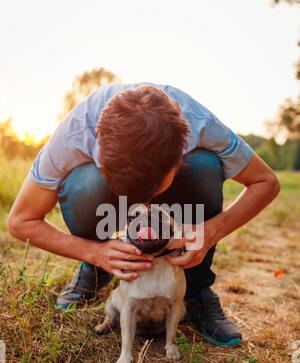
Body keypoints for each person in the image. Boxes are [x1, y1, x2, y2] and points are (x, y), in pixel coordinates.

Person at [7, 82, 280, 347]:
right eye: (135, 197)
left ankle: (196, 287)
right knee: (83, 183)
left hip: (184, 191)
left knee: (205, 166)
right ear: (100, 154)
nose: (144, 206)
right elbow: (20, 221)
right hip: (100, 209)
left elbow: (266, 182)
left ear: (178, 156)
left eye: (151, 194)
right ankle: (96, 268)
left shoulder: (200, 124)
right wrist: (92, 251)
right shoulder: (73, 135)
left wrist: (211, 231)